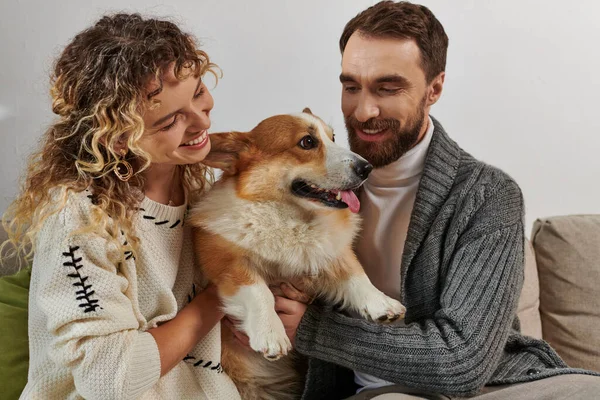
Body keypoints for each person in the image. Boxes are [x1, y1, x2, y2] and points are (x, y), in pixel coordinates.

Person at [274, 2, 600, 399]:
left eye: (387, 88)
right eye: (351, 86)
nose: (363, 111)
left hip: (495, 385)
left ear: (435, 89)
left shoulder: (487, 196)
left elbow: (461, 362)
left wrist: (314, 330)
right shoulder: (305, 186)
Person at [2, 14, 240, 399]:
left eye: (198, 93)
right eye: (170, 120)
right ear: (117, 138)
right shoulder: (78, 220)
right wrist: (220, 297)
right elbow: (110, 380)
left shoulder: (203, 187)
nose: (201, 121)